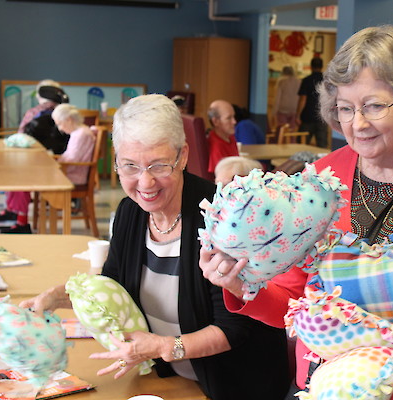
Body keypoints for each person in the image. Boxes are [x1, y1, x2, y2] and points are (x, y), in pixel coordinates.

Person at [198, 25, 393, 400]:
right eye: (346, 108)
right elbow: (295, 299)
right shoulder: (319, 181)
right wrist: (242, 286)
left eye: (375, 106)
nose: (357, 124)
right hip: (323, 387)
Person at [19, 94, 289, 400]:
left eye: (159, 166)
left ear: (183, 156)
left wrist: (164, 346)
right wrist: (60, 296)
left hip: (233, 385)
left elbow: (236, 328)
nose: (145, 183)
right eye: (130, 166)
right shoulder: (130, 211)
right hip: (171, 378)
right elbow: (114, 287)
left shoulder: (225, 217)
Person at [0, 79, 69, 234]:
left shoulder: (34, 112)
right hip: (53, 162)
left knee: (16, 174)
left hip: (36, 165)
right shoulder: (66, 112)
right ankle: (15, 212)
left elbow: (21, 134)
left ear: (41, 95)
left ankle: (18, 218)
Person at [51, 104, 96, 185]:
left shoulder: (81, 135)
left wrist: (56, 167)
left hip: (74, 176)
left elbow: (73, 160)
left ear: (69, 120)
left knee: (43, 176)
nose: (60, 128)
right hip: (71, 173)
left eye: (59, 124)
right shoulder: (79, 132)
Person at [296, 57, 328, 148]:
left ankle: (303, 162)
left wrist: (297, 115)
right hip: (322, 117)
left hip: (307, 117)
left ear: (311, 66)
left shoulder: (306, 80)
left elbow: (303, 99)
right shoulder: (326, 80)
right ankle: (324, 163)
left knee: (302, 146)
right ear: (322, 66)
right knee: (322, 147)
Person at [206, 99, 239, 174]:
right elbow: (222, 177)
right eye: (229, 118)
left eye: (233, 117)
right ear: (215, 121)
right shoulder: (216, 146)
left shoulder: (230, 137)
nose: (234, 122)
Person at [272, 65, 300, 131]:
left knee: (282, 131)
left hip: (282, 110)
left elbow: (277, 98)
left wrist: (274, 112)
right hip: (294, 109)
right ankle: (292, 141)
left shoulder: (281, 81)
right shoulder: (298, 81)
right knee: (292, 131)